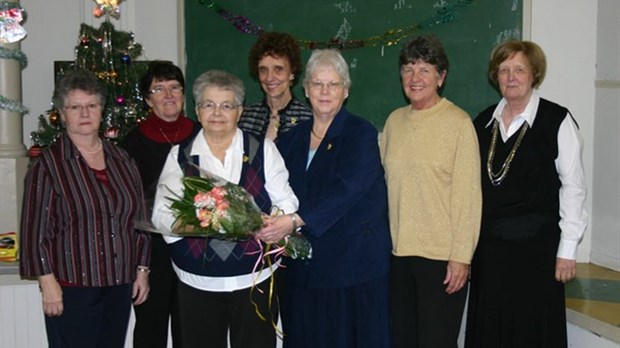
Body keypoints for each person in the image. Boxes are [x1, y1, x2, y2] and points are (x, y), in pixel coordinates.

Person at [151, 69, 299, 348]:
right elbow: (161, 216)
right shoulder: (180, 155)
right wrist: (205, 221)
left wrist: (275, 224)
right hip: (197, 283)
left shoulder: (262, 149)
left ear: (239, 111)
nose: (217, 112)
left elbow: (287, 201)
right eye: (209, 104)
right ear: (197, 110)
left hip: (254, 281)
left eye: (226, 105)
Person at [264, 49, 392, 348]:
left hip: (352, 266)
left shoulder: (360, 133)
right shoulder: (290, 138)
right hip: (304, 267)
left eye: (333, 84)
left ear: (345, 91)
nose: (325, 91)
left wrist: (293, 220)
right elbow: (277, 187)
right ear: (306, 89)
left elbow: (346, 189)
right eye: (318, 84)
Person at [464, 40, 587, 348]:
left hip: (537, 255)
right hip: (490, 255)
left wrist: (567, 250)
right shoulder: (482, 123)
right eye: (503, 70)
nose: (511, 76)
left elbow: (574, 186)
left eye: (519, 69)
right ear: (495, 76)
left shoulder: (557, 121)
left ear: (535, 74)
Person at [19, 70, 151, 348]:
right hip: (72, 287)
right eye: (75, 107)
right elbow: (34, 232)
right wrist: (48, 284)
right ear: (62, 113)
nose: (85, 113)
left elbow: (138, 220)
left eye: (92, 105)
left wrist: (142, 269)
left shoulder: (122, 159)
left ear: (102, 110)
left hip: (119, 282)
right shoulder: (48, 166)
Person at [379, 35, 482, 348]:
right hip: (398, 256)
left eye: (425, 69)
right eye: (409, 69)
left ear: (442, 76)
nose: (415, 77)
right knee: (403, 341)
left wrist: (461, 258)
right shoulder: (394, 121)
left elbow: (468, 198)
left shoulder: (459, 123)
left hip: (441, 260)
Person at [122, 61, 200, 348]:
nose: (168, 95)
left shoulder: (201, 134)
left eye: (175, 87)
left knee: (191, 328)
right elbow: (129, 205)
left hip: (193, 247)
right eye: (159, 88)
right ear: (147, 99)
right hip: (150, 252)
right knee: (150, 328)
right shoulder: (132, 143)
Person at [238, 31, 312, 141]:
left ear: (292, 72)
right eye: (263, 70)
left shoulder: (308, 120)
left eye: (278, 69)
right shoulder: (244, 118)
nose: (269, 78)